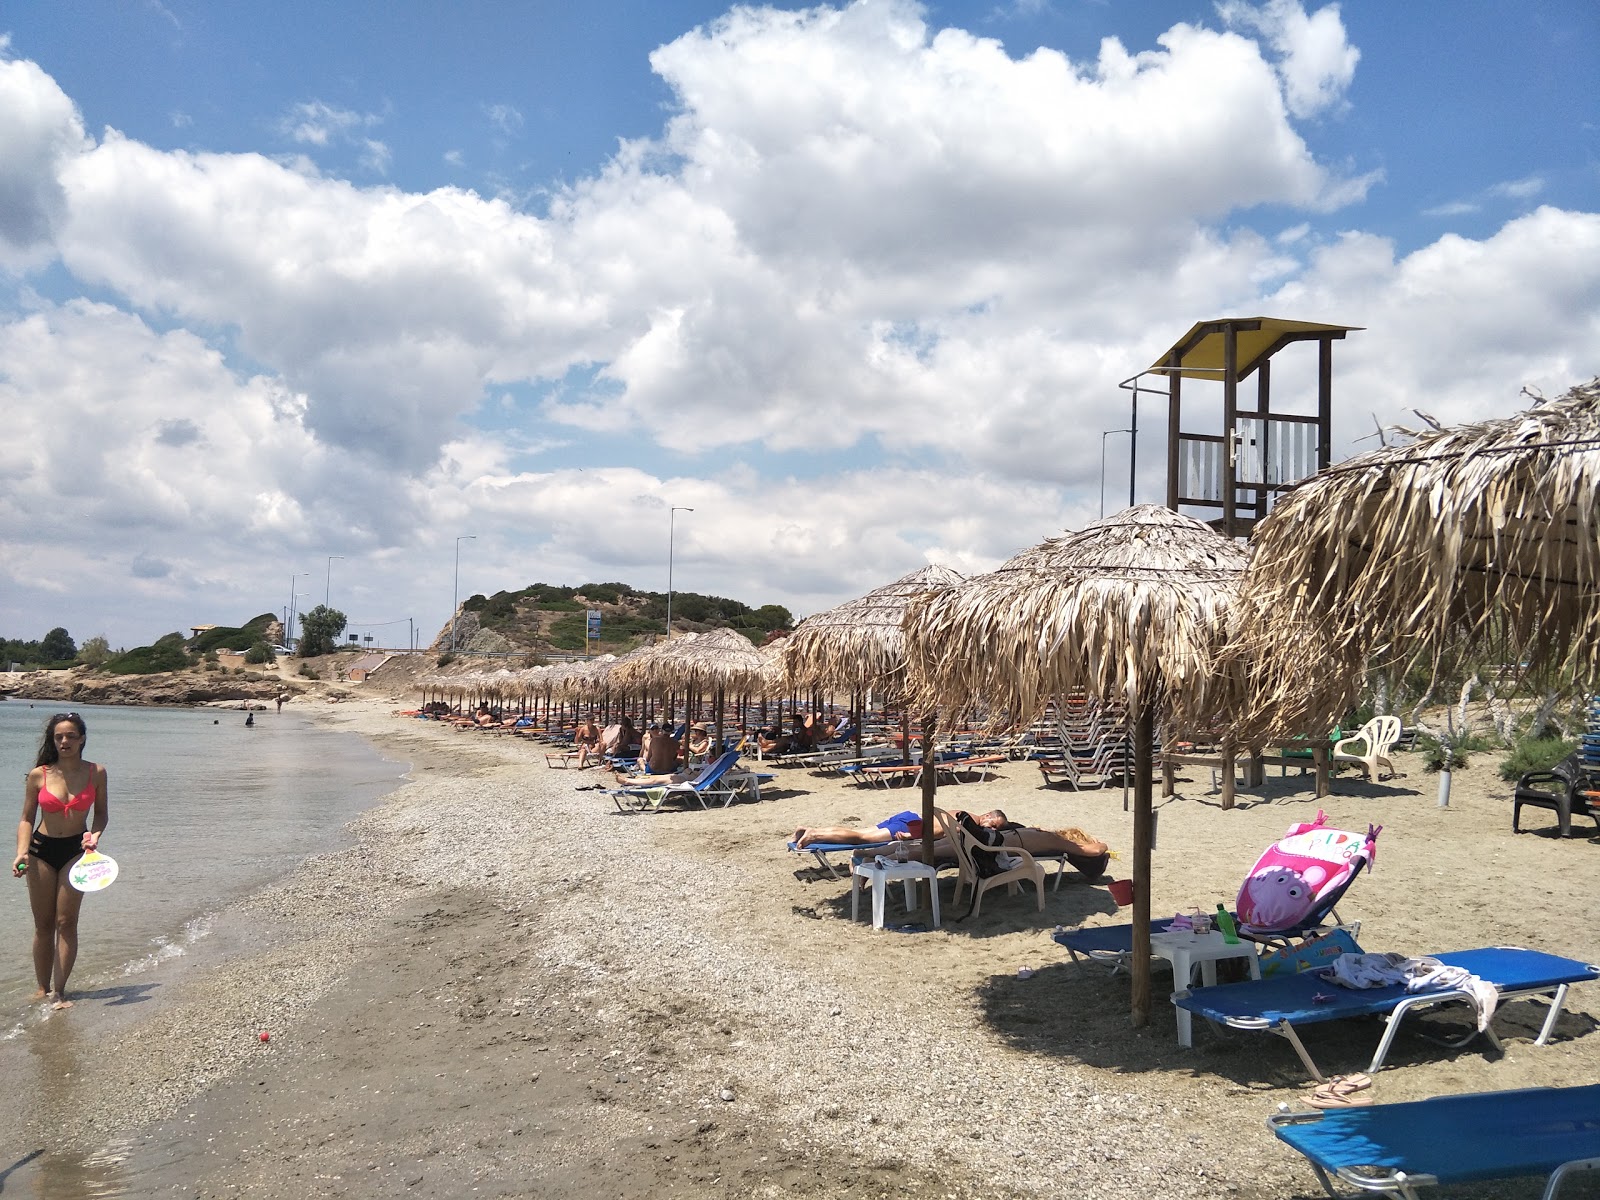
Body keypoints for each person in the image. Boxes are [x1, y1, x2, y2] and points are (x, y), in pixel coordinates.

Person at [13, 712, 109, 1009]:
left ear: (82, 738)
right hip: (41, 851)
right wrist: (22, 851)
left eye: (70, 736)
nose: (64, 741)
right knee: (43, 925)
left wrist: (94, 836)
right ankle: (42, 988)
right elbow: (27, 818)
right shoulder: (39, 774)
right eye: (58, 737)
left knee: (66, 922)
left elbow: (101, 815)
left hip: (76, 853)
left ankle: (60, 992)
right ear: (52, 741)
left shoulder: (96, 772)